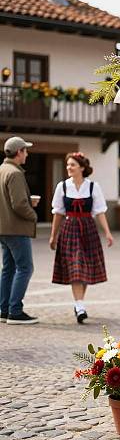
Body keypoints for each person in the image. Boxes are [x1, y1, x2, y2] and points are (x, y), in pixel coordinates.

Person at [50, 152, 113, 324]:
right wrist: (53, 236)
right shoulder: (62, 187)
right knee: (76, 267)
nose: (69, 168)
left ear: (82, 168)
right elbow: (58, 213)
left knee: (85, 270)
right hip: (69, 229)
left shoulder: (93, 186)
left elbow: (99, 211)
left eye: (72, 165)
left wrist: (107, 232)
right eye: (68, 165)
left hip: (88, 229)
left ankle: (79, 304)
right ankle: (80, 306)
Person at [0, 137, 39, 324]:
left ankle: (4, 310)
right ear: (18, 152)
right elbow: (19, 204)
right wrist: (33, 214)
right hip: (16, 229)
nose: (27, 154)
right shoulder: (15, 173)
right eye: (25, 150)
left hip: (4, 229)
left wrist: (26, 202)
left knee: (8, 269)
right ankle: (15, 311)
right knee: (25, 268)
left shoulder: (1, 169)